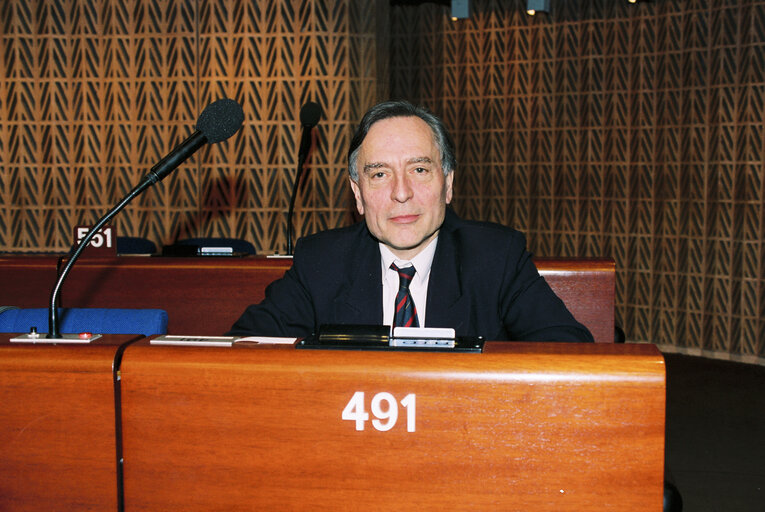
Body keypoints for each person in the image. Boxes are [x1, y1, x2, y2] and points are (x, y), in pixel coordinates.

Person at [227, 100, 593, 342]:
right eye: (380, 174)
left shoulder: (496, 258)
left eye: (419, 169)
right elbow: (246, 348)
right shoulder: (322, 263)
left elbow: (567, 352)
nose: (401, 193)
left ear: (447, 183)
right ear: (357, 194)